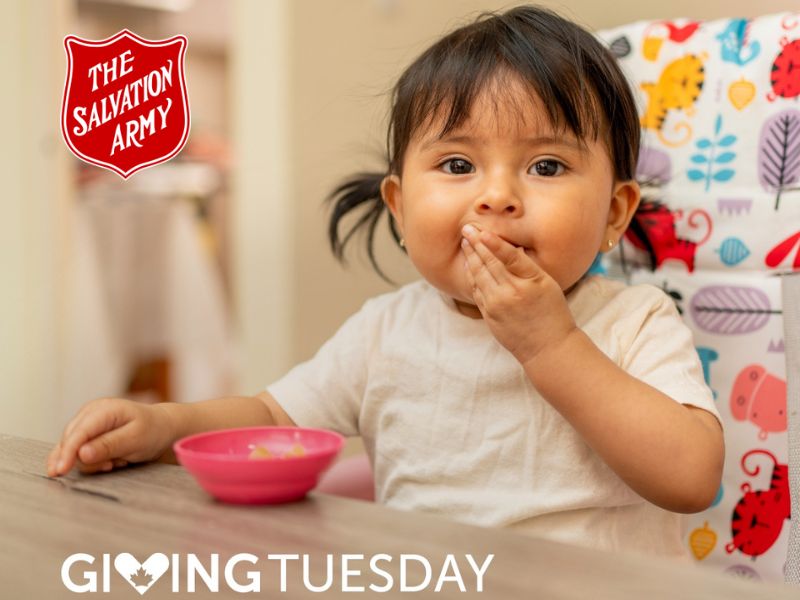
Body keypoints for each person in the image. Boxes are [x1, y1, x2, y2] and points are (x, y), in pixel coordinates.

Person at [47, 5, 724, 559]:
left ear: (613, 213)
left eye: (546, 167)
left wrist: (552, 348)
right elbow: (274, 418)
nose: (496, 196)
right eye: (457, 164)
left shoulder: (633, 320)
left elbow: (692, 477)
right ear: (400, 207)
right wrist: (164, 423)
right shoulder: (386, 331)